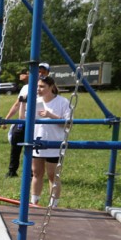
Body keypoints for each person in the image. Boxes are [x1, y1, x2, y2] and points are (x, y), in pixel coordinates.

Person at [2, 63, 51, 177]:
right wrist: (6, 119)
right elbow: (17, 104)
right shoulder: (25, 87)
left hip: (37, 122)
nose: (40, 74)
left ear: (48, 74)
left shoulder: (47, 88)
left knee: (34, 148)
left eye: (43, 72)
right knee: (15, 143)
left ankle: (32, 173)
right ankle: (12, 171)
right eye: (39, 71)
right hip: (22, 120)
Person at [31, 75, 71, 207]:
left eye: (42, 86)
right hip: (38, 141)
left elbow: (68, 124)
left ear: (51, 87)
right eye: (38, 86)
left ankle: (53, 204)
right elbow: (25, 119)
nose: (39, 89)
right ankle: (34, 201)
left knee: (52, 175)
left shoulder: (62, 102)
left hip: (54, 142)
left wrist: (50, 115)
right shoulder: (35, 101)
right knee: (36, 173)